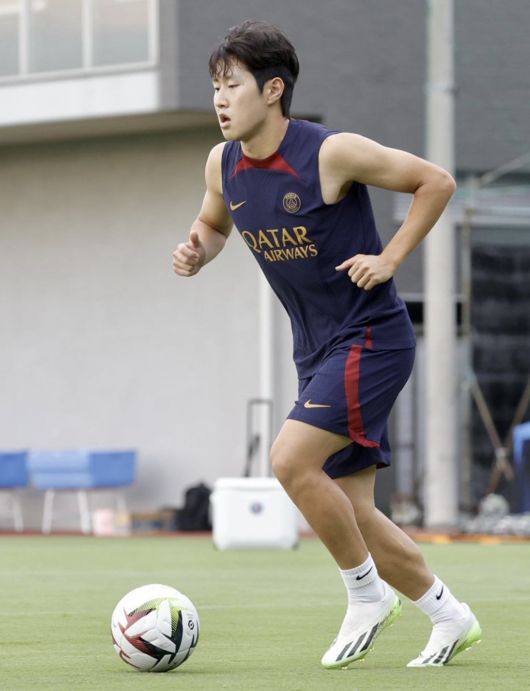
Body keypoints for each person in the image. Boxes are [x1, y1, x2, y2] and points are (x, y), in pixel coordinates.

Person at [172, 20, 481, 669]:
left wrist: (390, 258)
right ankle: (449, 615)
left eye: (233, 85)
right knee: (356, 512)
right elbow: (213, 222)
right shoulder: (222, 164)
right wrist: (198, 250)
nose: (220, 99)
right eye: (215, 87)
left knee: (290, 461)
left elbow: (436, 181)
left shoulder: (330, 153)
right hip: (316, 353)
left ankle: (366, 595)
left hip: (371, 340)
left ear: (273, 90)